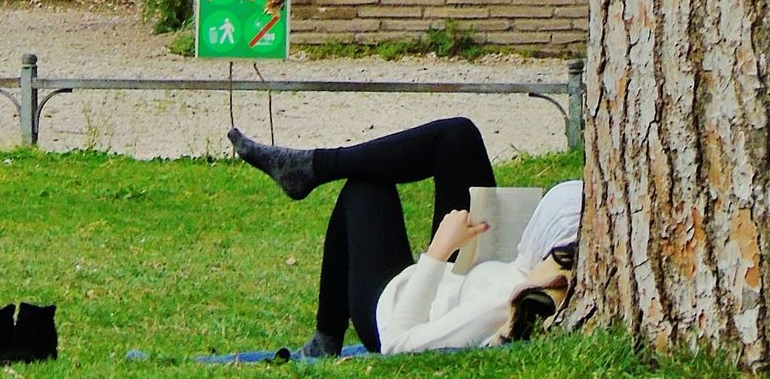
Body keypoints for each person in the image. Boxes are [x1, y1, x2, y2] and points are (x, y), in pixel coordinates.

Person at [227, 118, 582, 356]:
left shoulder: (503, 304)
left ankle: (326, 337)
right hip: (477, 267)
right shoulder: (538, 271)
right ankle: (310, 167)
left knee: (365, 186)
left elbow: (399, 342)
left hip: (395, 305)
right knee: (458, 137)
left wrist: (439, 250)